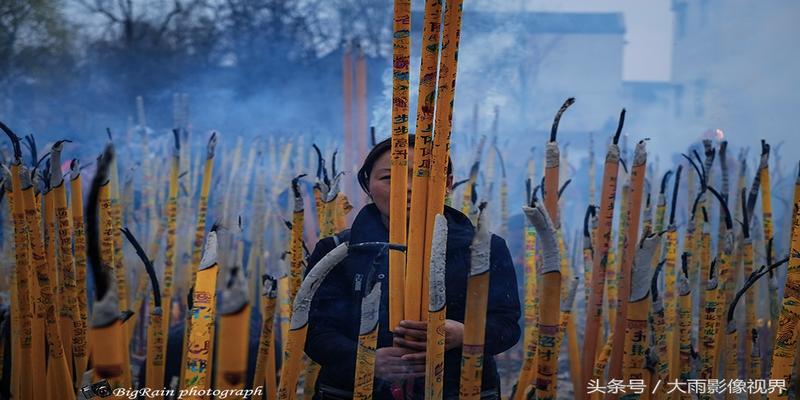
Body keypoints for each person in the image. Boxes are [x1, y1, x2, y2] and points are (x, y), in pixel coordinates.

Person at [304, 135, 521, 399]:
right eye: (388, 178)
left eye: (421, 175)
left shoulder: (484, 248)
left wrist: (463, 333)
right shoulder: (338, 251)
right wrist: (364, 360)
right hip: (353, 391)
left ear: (447, 184)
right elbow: (313, 330)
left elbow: (507, 326)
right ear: (367, 185)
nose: (406, 187)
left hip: (459, 389)